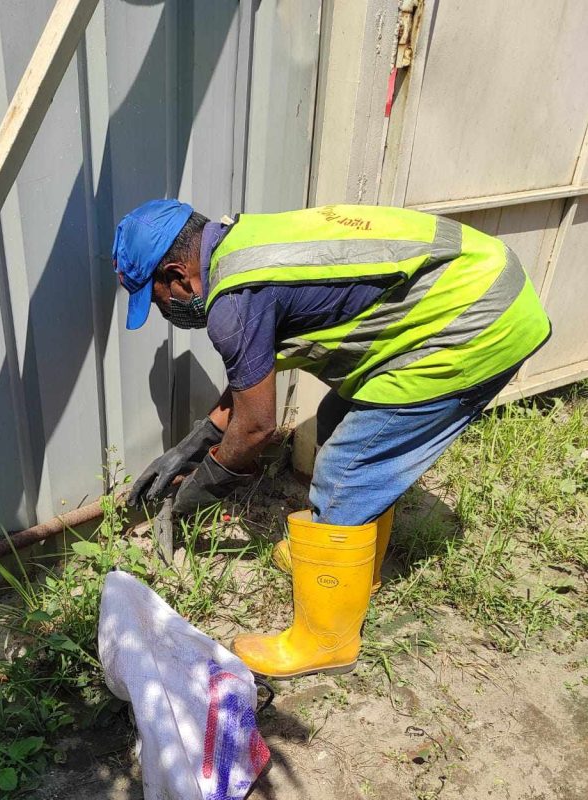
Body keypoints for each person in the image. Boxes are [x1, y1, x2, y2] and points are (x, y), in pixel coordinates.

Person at [111, 200, 551, 680]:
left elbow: (257, 427)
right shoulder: (241, 244)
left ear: (178, 275)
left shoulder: (234, 302)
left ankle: (325, 642)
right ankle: (359, 572)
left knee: (347, 469)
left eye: (156, 299)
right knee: (337, 414)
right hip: (482, 279)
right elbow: (248, 379)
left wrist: (201, 488)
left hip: (478, 321)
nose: (164, 310)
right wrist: (190, 447)